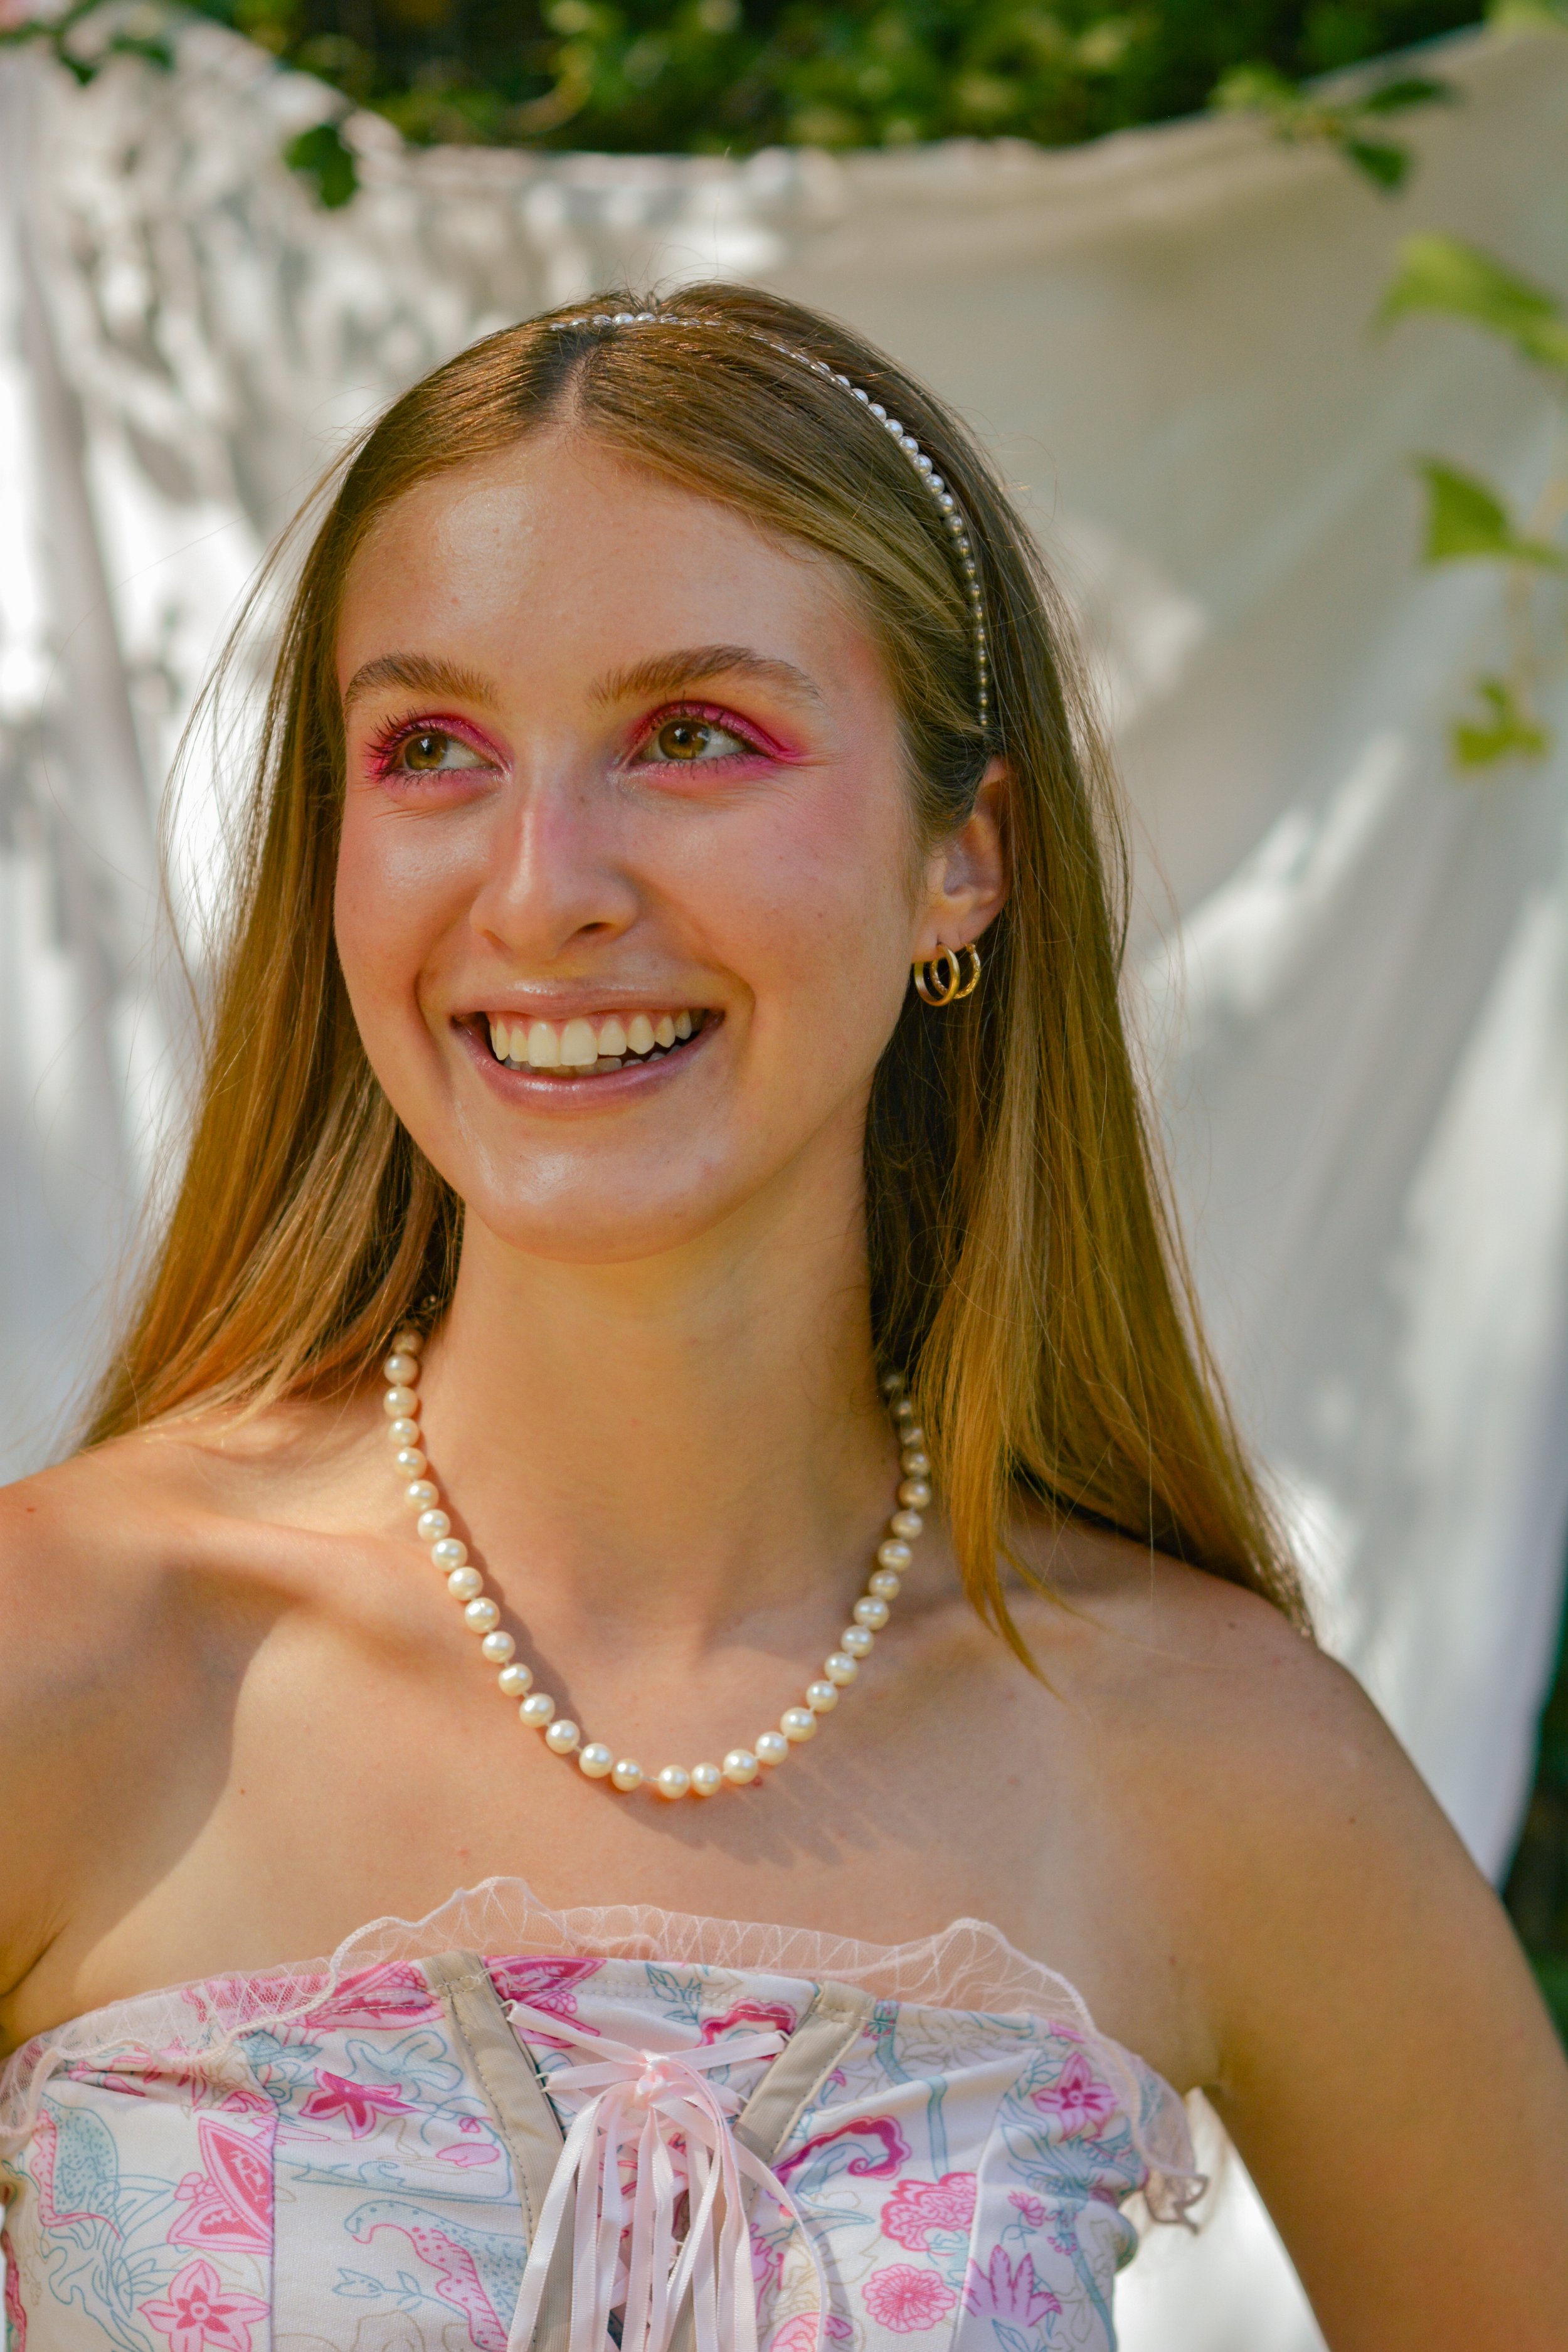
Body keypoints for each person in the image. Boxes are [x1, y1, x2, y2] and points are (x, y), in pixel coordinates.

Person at [1, 284, 1564, 2352]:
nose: (545, 886)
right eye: (434, 749)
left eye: (694, 737)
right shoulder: (64, 1660)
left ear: (962, 862)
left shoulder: (1205, 1749)